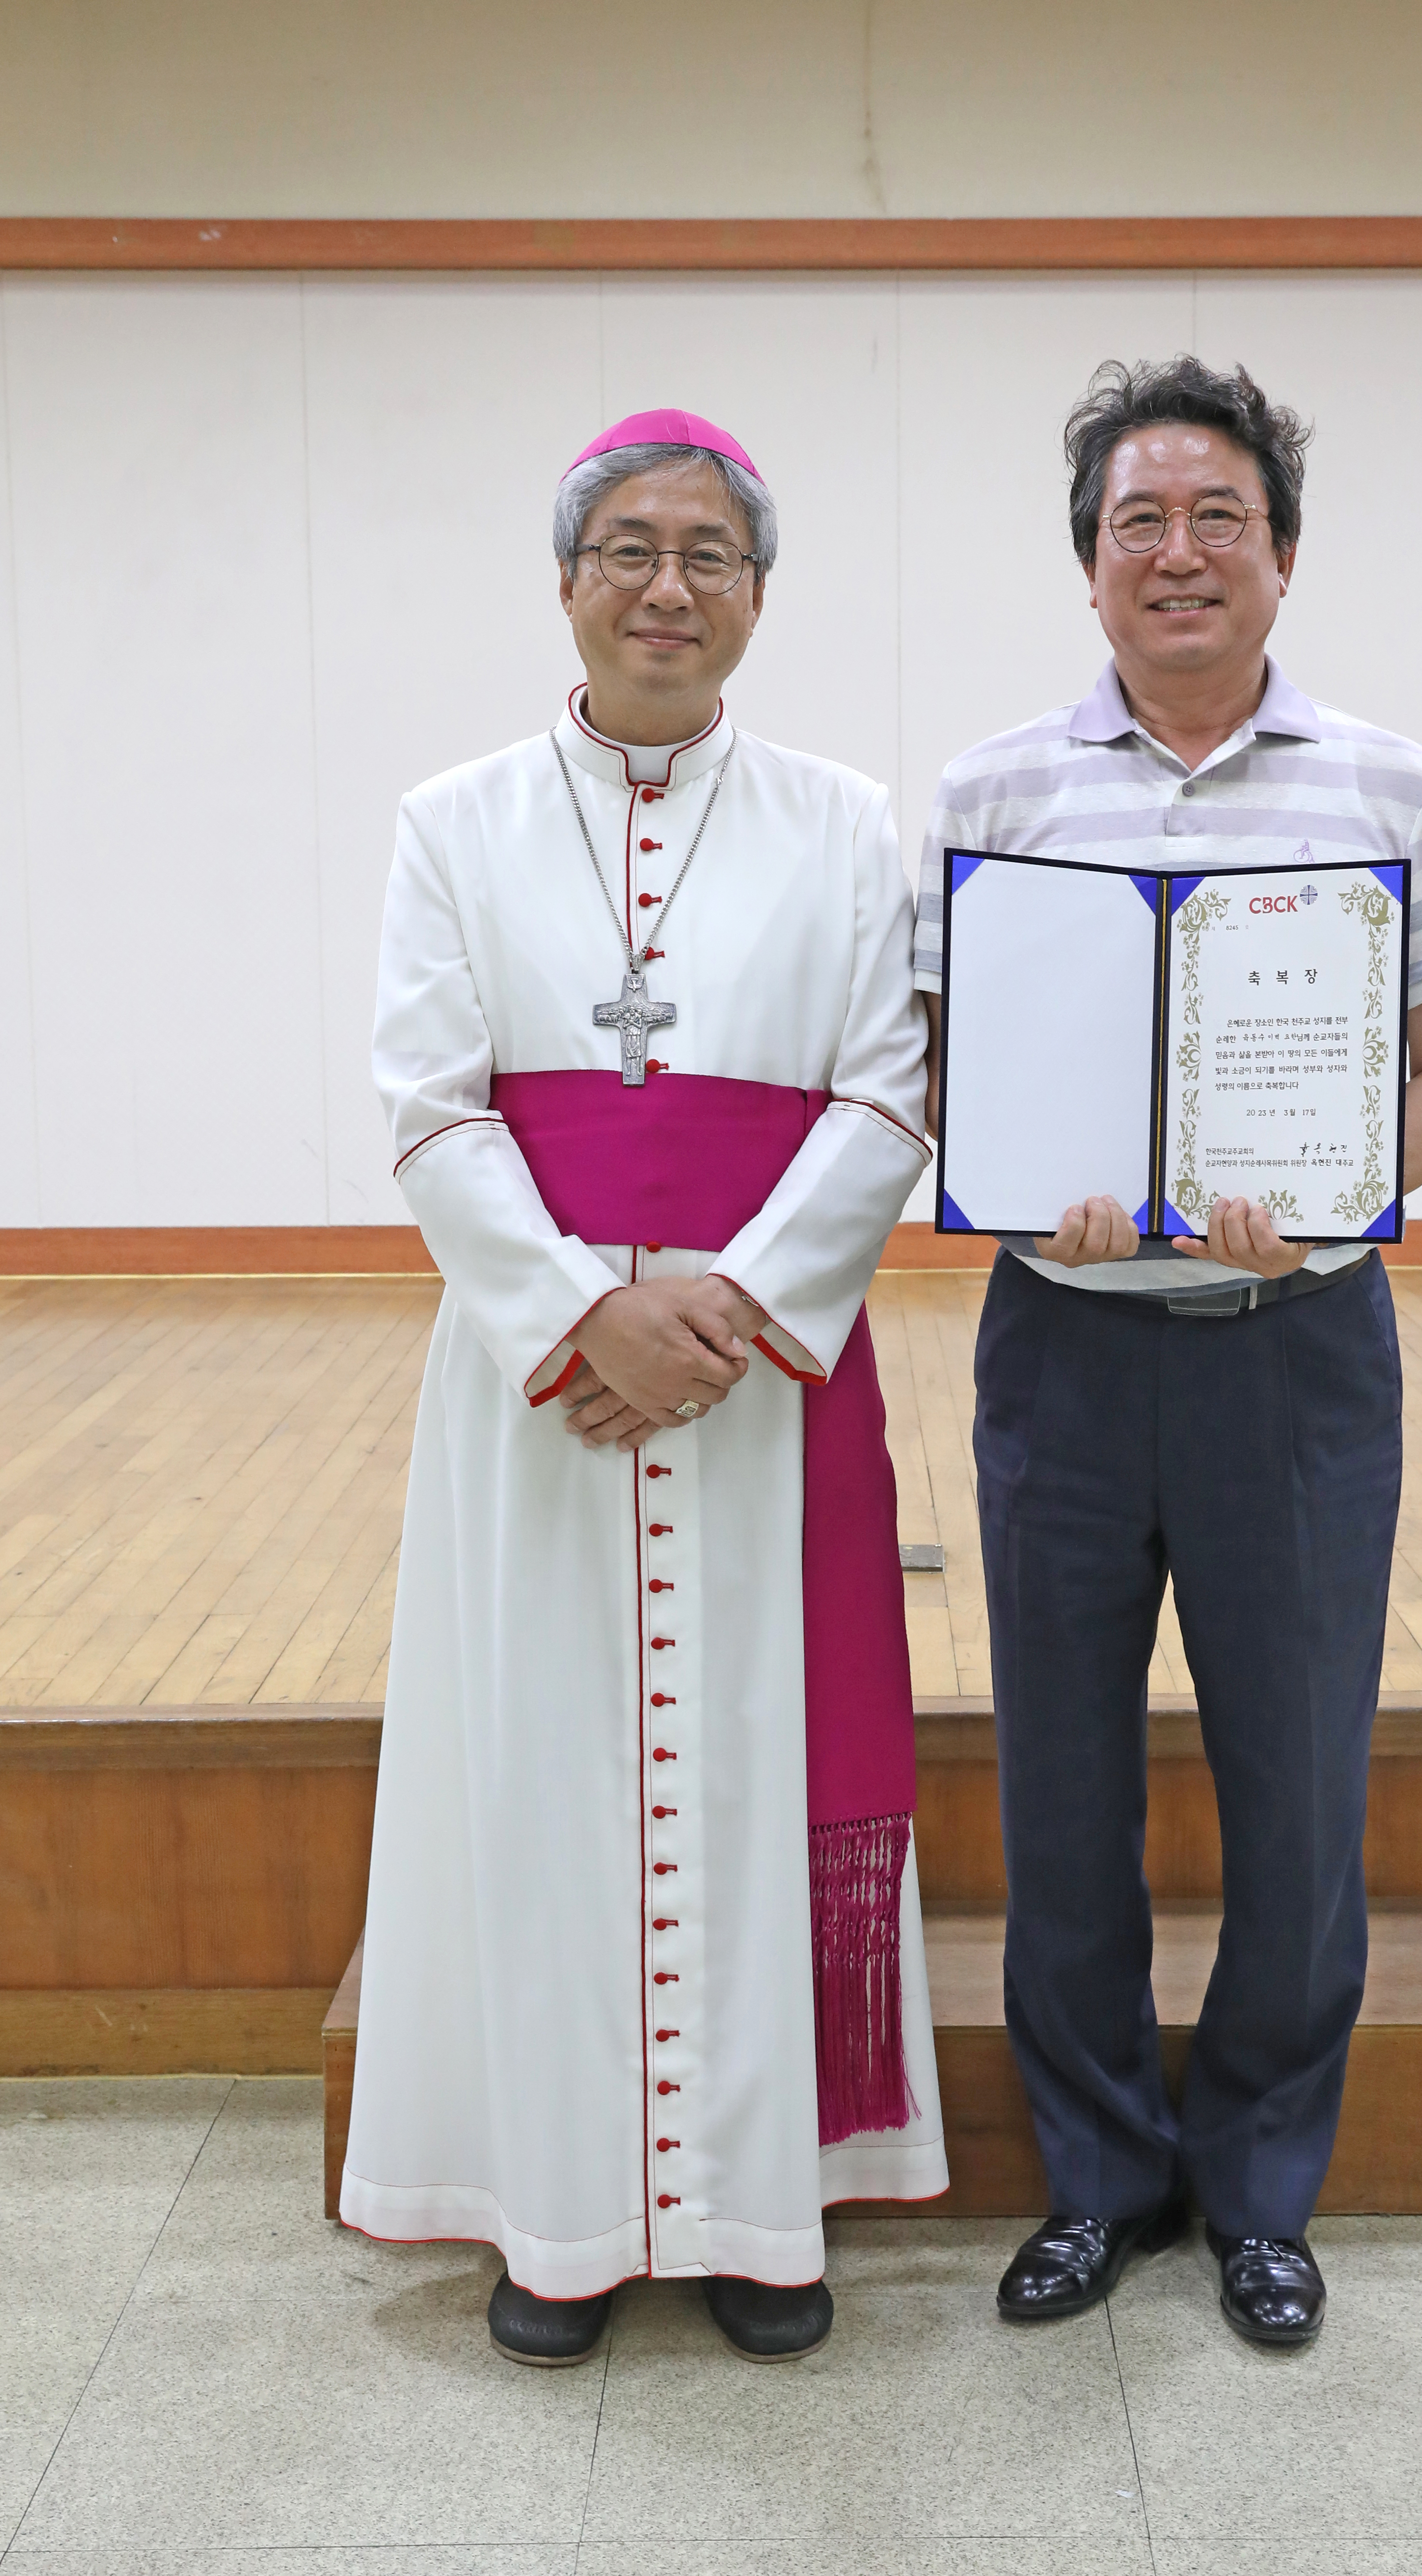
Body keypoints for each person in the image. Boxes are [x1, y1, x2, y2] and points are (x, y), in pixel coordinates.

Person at [344, 407, 946, 2368]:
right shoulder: (452, 822)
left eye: (708, 552)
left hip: (760, 1393)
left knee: (758, 1771)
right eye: (628, 546)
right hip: (539, 1399)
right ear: (567, 580)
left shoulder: (853, 824)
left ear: (757, 596)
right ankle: (564, 2220)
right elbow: (427, 1107)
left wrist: (727, 1310)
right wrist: (574, 1315)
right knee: (546, 1775)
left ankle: (765, 2213)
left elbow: (886, 1095)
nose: (666, 584)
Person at [918, 357, 1422, 2346]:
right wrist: (1030, 1186)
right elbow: (939, 1073)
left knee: (1295, 1780)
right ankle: (1095, 2178)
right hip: (1061, 1352)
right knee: (1058, 1791)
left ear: (1279, 557)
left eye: (1214, 520)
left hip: (1294, 1348)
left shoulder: (1388, 785)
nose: (1175, 553)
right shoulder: (993, 791)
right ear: (1087, 568)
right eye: (1134, 524)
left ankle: (1257, 2187)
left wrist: (1332, 1178)